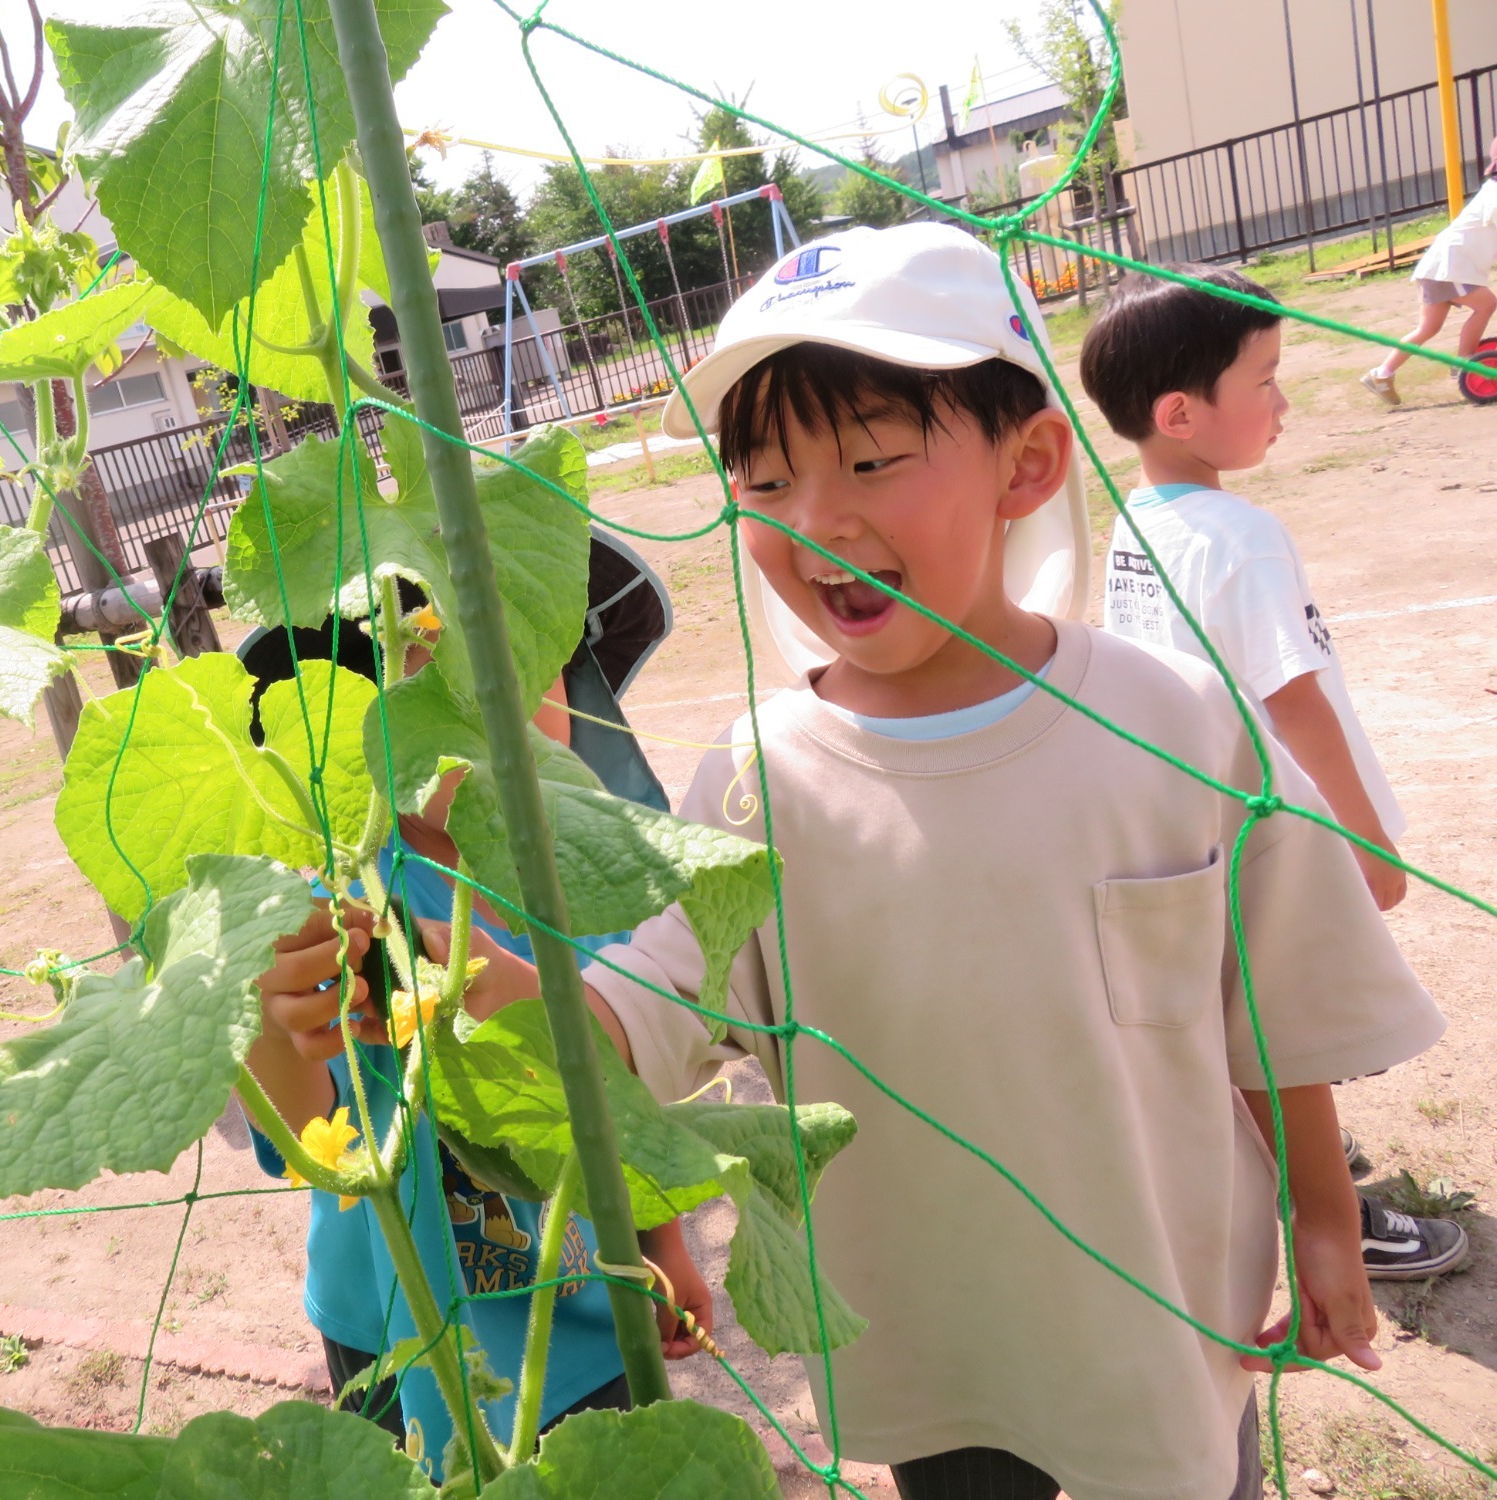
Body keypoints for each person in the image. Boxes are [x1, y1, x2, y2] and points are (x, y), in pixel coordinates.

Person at [437, 224, 1446, 1500]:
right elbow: (636, 1008)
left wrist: (1320, 1219)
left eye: (870, 458)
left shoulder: (1173, 721)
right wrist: (429, 974)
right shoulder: (759, 776)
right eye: (761, 479)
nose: (816, 521)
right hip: (925, 1342)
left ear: (1024, 465)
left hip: (1158, 1318)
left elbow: (1276, 1014)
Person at [243, 538, 707, 1476]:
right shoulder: (339, 889)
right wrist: (277, 1017)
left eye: (516, 677)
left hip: (583, 1312)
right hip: (383, 1314)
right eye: (417, 693)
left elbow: (633, 1089)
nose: (481, 726)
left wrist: (663, 1239)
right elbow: (303, 1130)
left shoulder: (589, 875)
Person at [1081, 265, 1468, 1281]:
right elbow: (1291, 697)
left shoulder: (1137, 520)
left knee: (1249, 1024)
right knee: (1289, 1031)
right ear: (1181, 411)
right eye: (1264, 380)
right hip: (1281, 830)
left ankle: (1285, 1171)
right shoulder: (1242, 537)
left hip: (1200, 820)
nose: (1283, 401)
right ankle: (1329, 1214)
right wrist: (1363, 841)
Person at [1359, 139, 1497, 404]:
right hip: (1452, 265)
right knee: (1486, 304)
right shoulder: (1493, 195)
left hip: (1443, 265)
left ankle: (1381, 373)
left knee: (1428, 328)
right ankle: (1465, 360)